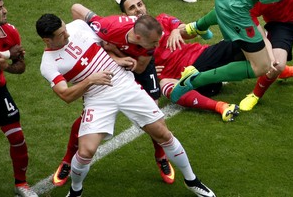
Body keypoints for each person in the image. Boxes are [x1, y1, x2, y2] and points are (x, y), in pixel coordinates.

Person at [37, 13, 215, 197]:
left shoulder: (78, 27)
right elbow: (66, 95)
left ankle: (191, 180)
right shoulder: (48, 64)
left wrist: (117, 59)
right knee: (86, 151)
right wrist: (90, 80)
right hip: (97, 97)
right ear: (47, 40)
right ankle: (75, 191)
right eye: (61, 34)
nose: (67, 35)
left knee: (163, 133)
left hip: (123, 83)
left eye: (65, 29)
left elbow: (107, 42)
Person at [52, 8, 180, 187]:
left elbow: (139, 68)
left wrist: (117, 55)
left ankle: (161, 156)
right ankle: (67, 160)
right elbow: (75, 8)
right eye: (132, 7)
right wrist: (112, 56)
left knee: (152, 115)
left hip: (140, 71)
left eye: (139, 5)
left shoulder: (150, 40)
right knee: (87, 118)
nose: (138, 9)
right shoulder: (109, 27)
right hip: (113, 70)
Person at [0, 0, 38, 197]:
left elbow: (21, 66)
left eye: (3, 6)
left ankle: (21, 184)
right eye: (0, 8)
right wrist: (8, 54)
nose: (5, 11)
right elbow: (10, 55)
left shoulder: (10, 32)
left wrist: (6, 65)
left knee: (18, 138)